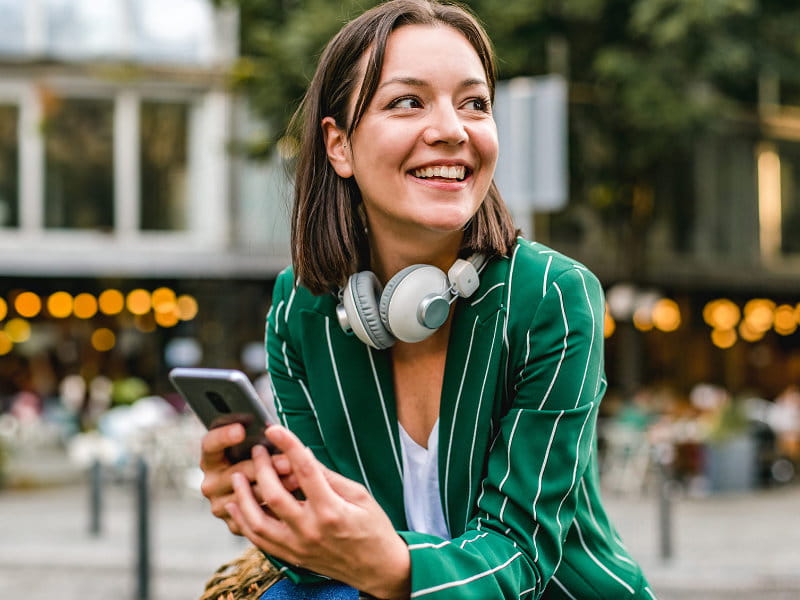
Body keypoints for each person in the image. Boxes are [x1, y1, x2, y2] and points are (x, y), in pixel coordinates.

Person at [199, 1, 656, 598]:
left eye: (475, 104)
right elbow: (327, 556)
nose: (452, 129)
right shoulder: (300, 308)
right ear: (338, 146)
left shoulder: (552, 297)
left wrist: (391, 566)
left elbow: (520, 554)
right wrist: (273, 517)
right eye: (407, 101)